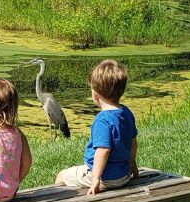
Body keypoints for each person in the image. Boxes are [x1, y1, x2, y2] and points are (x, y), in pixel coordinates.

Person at [54, 60, 137, 194]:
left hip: (105, 178)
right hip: (123, 175)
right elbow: (133, 142)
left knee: (62, 176)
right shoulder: (126, 113)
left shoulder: (102, 120)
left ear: (96, 94)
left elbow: (103, 150)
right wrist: (133, 164)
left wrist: (96, 178)